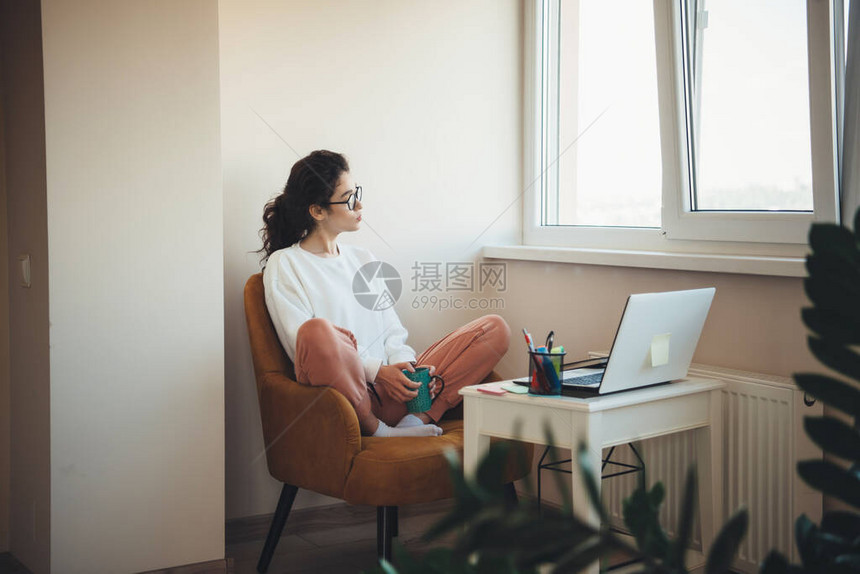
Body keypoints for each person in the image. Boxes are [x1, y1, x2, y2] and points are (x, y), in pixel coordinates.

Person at [260, 150, 510, 438]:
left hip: (394, 392)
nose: (360, 204)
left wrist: (406, 368)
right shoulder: (286, 264)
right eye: (349, 197)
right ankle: (377, 431)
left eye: (357, 193)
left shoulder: (363, 258)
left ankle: (418, 418)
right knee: (316, 332)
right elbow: (299, 345)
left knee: (494, 329)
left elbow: (392, 330)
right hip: (349, 398)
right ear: (317, 211)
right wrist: (377, 372)